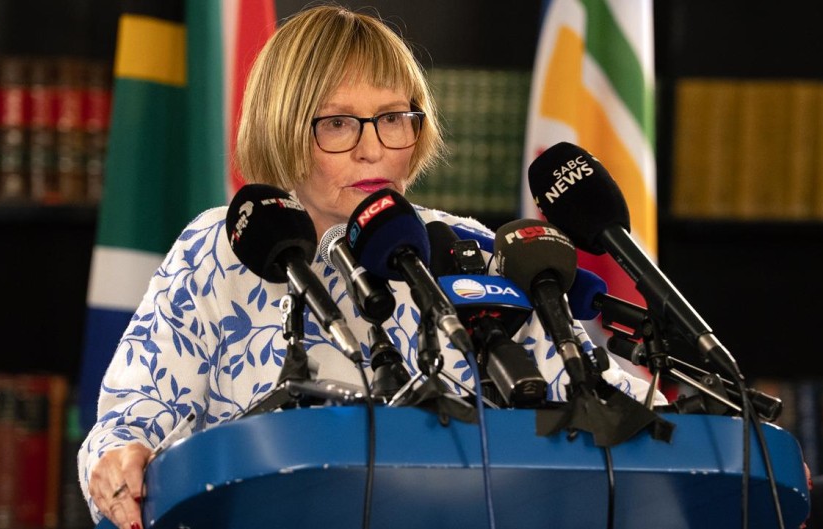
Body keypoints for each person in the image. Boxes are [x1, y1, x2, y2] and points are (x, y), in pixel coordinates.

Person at [78, 5, 663, 528]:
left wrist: (672, 413)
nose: (372, 147)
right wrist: (119, 460)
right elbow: (128, 422)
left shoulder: (469, 247)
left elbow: (595, 395)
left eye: (392, 118)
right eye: (336, 123)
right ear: (282, 123)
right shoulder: (222, 248)